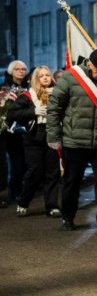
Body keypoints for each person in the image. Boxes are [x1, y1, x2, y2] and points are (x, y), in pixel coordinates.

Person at [47, 48, 97, 233]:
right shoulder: (70, 77)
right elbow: (54, 108)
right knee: (72, 182)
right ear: (89, 64)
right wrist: (54, 137)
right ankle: (67, 217)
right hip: (74, 141)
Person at [7, 65, 60, 217]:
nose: (45, 77)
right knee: (34, 173)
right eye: (41, 75)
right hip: (34, 138)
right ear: (36, 79)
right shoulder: (27, 96)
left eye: (47, 75)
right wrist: (34, 112)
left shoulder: (58, 94)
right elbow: (12, 114)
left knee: (52, 173)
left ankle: (52, 206)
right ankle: (23, 202)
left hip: (53, 136)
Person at [0, 60, 29, 209]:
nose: (21, 71)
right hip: (6, 131)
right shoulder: (4, 87)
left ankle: (17, 189)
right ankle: (4, 193)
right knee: (3, 164)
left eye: (23, 69)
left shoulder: (29, 86)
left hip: (22, 131)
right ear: (11, 72)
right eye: (17, 69)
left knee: (20, 163)